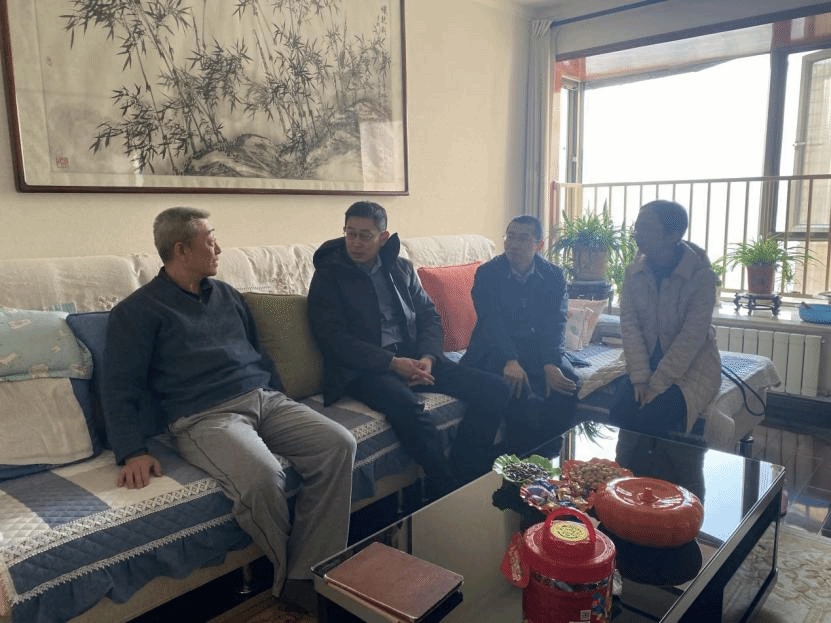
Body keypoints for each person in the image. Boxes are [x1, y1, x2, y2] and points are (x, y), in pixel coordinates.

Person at [102, 207, 356, 612]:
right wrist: (132, 450)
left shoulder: (227, 295)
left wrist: (278, 394)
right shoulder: (136, 312)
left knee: (339, 444)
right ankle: (297, 580)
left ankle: (310, 570)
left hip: (264, 399)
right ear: (181, 249)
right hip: (205, 417)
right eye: (210, 240)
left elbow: (257, 353)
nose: (218, 248)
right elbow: (119, 386)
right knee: (263, 477)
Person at [307, 201, 510, 499]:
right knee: (409, 408)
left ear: (383, 237)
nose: (356, 243)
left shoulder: (400, 268)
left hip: (415, 358)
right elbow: (333, 338)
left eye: (365, 235)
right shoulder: (329, 275)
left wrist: (428, 357)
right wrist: (392, 362)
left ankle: (465, 472)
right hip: (364, 369)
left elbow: (429, 316)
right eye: (350, 233)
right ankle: (445, 489)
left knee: (495, 389)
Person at [462, 215, 580, 454]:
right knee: (518, 391)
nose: (513, 244)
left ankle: (552, 457)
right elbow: (491, 322)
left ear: (539, 244)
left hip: (536, 350)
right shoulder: (487, 273)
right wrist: (510, 359)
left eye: (523, 238)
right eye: (510, 237)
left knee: (567, 383)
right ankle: (519, 463)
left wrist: (551, 362)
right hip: (494, 349)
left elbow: (556, 321)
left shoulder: (553, 275)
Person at [609, 199, 721, 439]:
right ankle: (622, 464)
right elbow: (630, 326)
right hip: (644, 361)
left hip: (689, 367)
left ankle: (661, 465)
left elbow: (691, 337)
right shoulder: (633, 272)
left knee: (653, 416)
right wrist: (640, 378)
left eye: (645, 227)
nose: (637, 234)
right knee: (620, 409)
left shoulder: (701, 277)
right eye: (636, 227)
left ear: (673, 235)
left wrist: (657, 384)